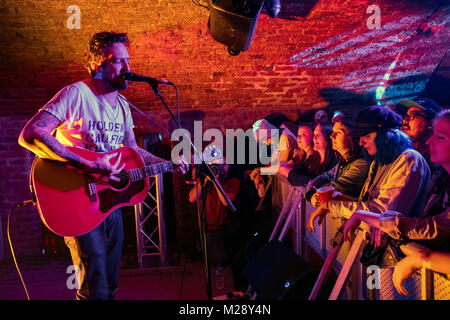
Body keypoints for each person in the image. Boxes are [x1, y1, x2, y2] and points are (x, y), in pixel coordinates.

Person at [18, 31, 188, 300]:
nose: (128, 68)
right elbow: (30, 134)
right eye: (118, 61)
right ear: (96, 65)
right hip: (75, 198)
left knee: (110, 282)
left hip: (108, 201)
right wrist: (89, 160)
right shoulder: (77, 94)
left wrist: (168, 164)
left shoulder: (122, 105)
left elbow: (132, 151)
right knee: (93, 285)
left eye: (128, 61)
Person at [307, 106, 431, 242]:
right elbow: (369, 204)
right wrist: (342, 198)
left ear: (387, 135)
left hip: (398, 254)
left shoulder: (409, 159)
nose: (360, 142)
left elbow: (382, 213)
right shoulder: (379, 161)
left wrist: (333, 206)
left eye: (367, 136)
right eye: (360, 136)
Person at [343, 109, 450, 249]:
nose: (430, 141)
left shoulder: (409, 158)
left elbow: (433, 227)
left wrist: (424, 258)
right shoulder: (440, 180)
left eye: (440, 137)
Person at [188, 157, 240, 290]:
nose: (217, 168)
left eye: (221, 165)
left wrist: (216, 181)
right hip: (208, 230)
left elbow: (226, 202)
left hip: (225, 228)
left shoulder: (233, 182)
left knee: (227, 258)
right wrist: (203, 181)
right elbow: (192, 198)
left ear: (227, 167)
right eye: (214, 165)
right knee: (217, 259)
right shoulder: (204, 182)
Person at [307, 111, 370, 204]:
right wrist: (310, 193)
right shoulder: (343, 161)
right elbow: (324, 177)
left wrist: (312, 192)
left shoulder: (361, 165)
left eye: (338, 132)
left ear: (352, 137)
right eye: (333, 132)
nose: (332, 136)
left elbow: (333, 189)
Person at [396, 98, 442, 167]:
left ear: (431, 123)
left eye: (413, 115)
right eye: (406, 115)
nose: (404, 120)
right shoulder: (398, 155)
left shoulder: (439, 162)